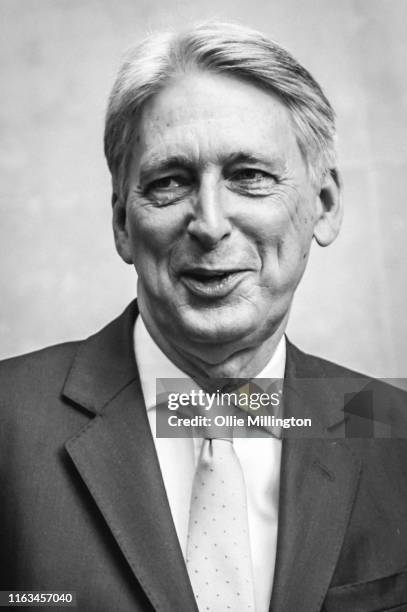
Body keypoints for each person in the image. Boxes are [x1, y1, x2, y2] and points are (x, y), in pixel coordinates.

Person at [1, 21, 406, 612]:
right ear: (122, 223)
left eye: (250, 177)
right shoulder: (7, 421)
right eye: (170, 183)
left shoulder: (393, 427)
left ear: (323, 205)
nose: (210, 223)